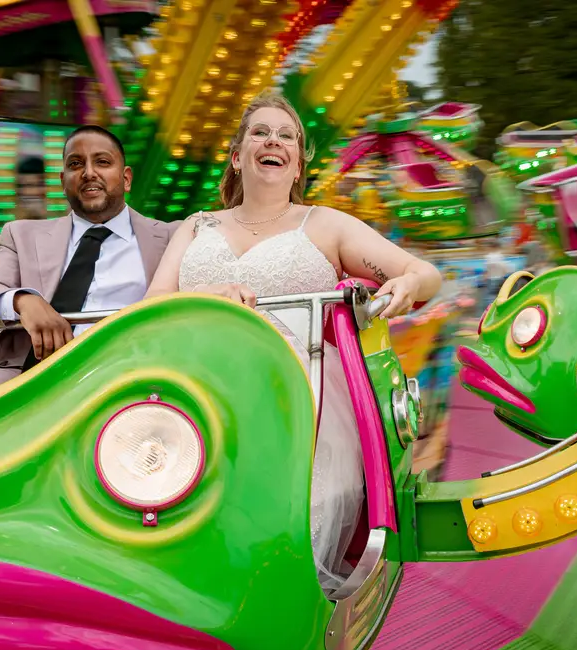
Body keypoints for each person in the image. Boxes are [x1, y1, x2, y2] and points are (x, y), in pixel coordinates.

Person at [144, 93, 442, 587]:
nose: (274, 141)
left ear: (298, 163)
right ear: (237, 156)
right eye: (260, 132)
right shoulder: (197, 226)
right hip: (196, 386)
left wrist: (409, 283)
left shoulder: (325, 224)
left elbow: (424, 273)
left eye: (287, 136)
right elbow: (151, 302)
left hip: (293, 396)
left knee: (269, 541)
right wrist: (209, 295)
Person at [0, 125, 177, 395]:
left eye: (102, 162)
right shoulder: (22, 235)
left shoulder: (170, 237)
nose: (89, 173)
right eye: (76, 164)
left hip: (131, 373)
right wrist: (24, 301)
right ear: (63, 182)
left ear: (126, 179)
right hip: (35, 371)